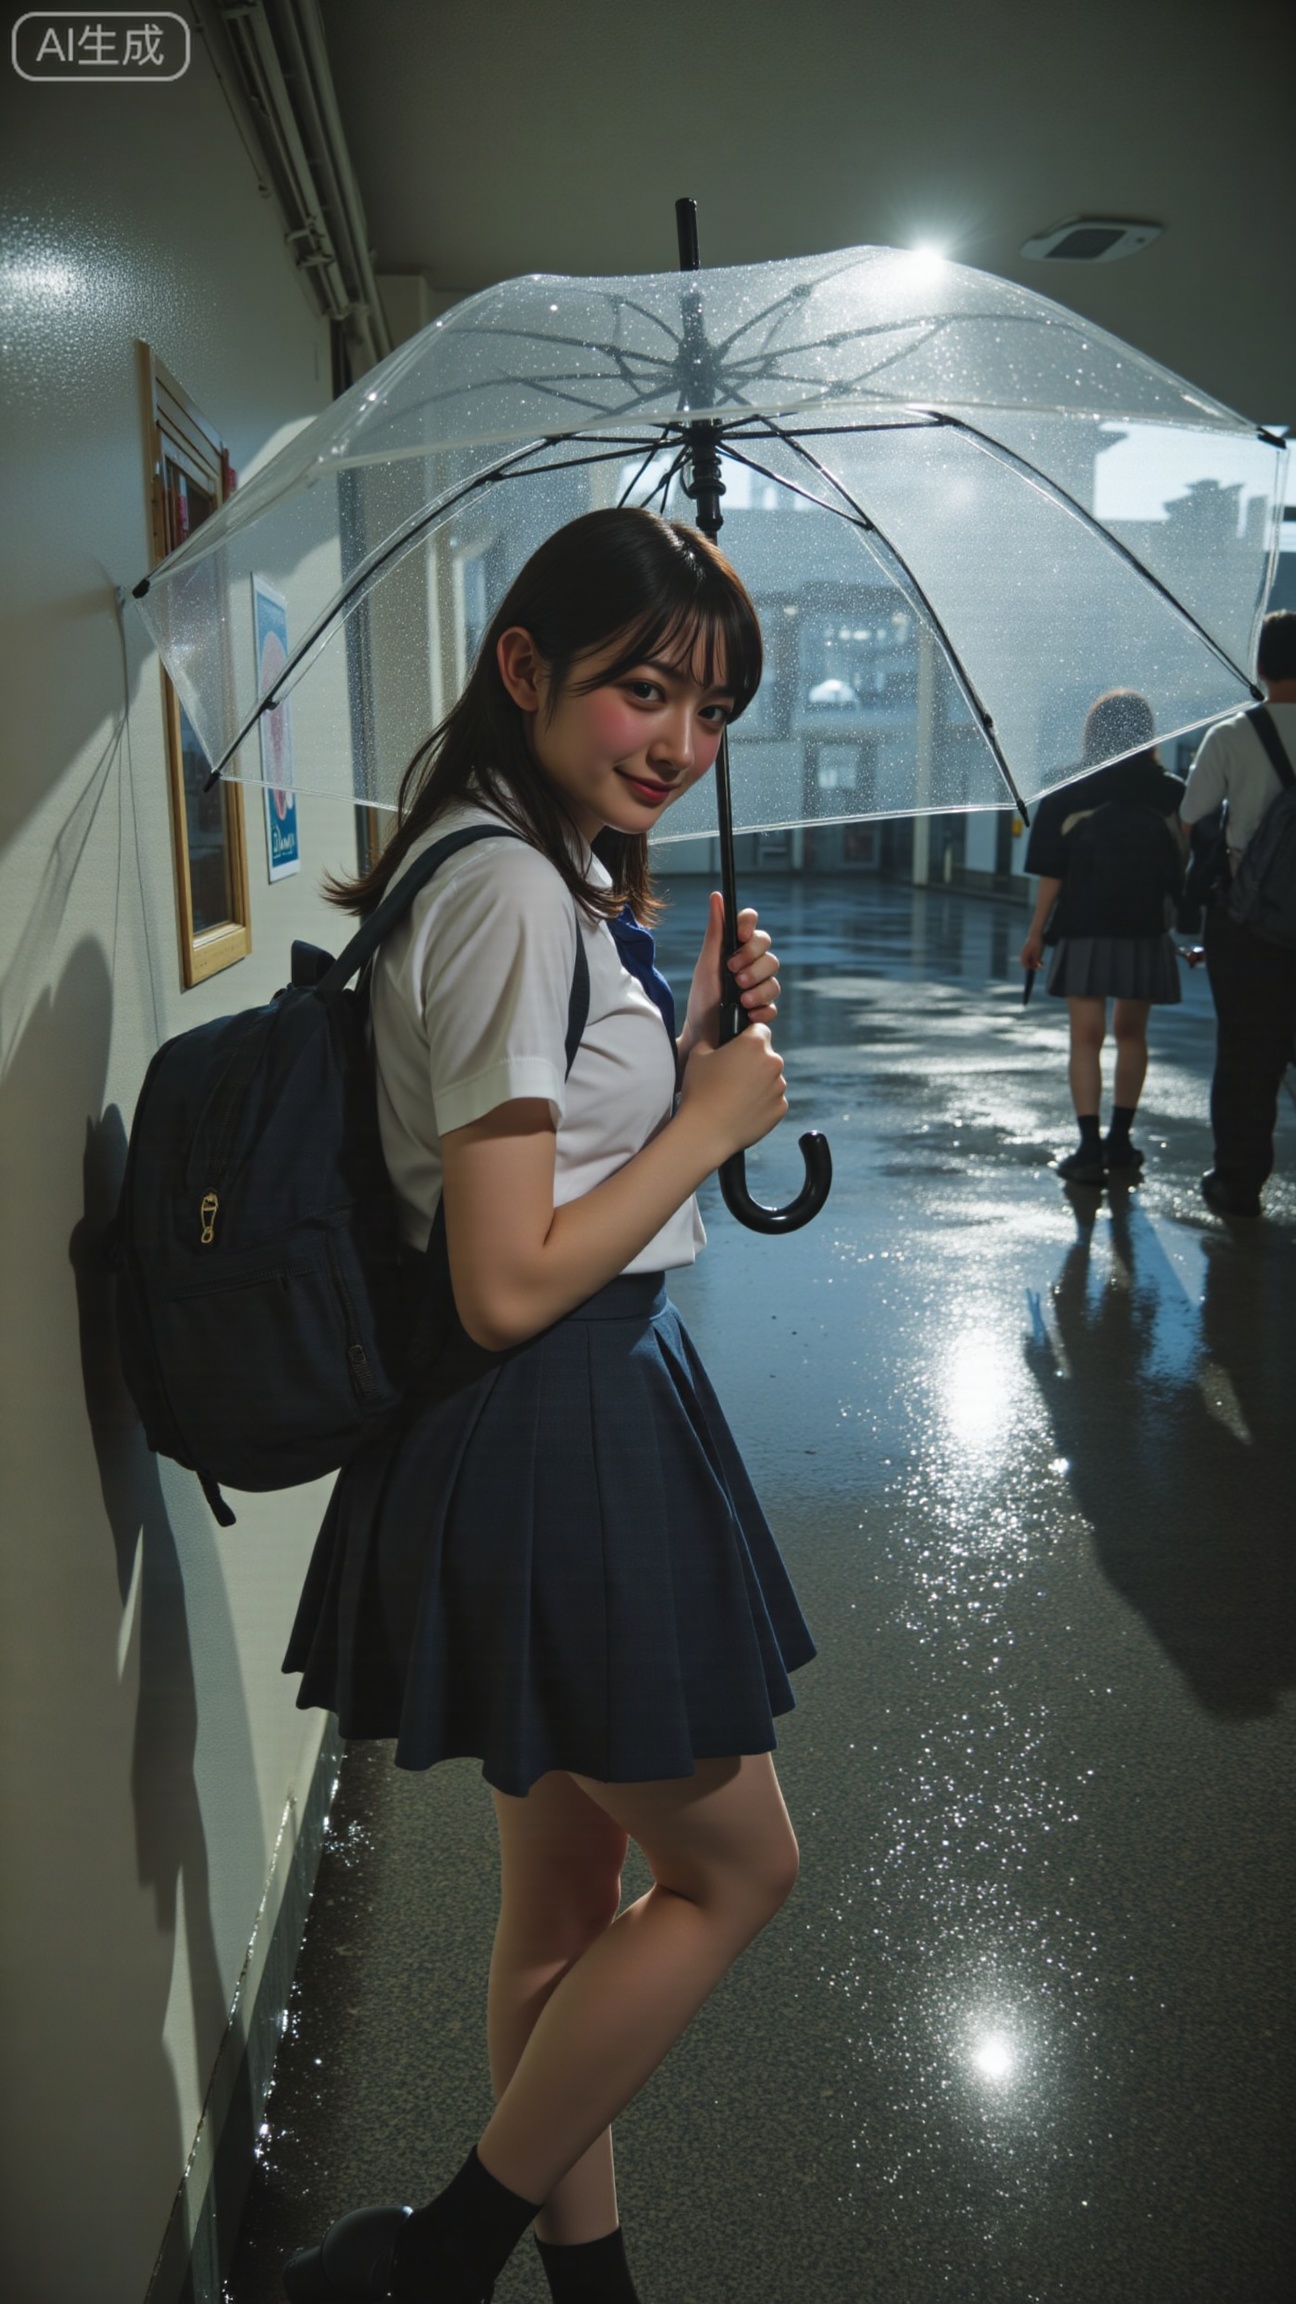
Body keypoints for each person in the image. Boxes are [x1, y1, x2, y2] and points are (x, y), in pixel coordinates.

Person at [280, 507, 815, 2304]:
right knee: (739, 1866)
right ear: (526, 669)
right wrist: (710, 1123)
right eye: (641, 687)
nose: (677, 741)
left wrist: (681, 1058)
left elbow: (552, 1166)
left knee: (567, 1891)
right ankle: (447, 2252)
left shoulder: (519, 860)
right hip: (552, 1414)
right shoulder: (513, 889)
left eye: (713, 706)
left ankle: (586, 2284)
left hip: (557, 1411)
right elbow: (504, 1271)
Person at [1020, 689, 1186, 1185]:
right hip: (1144, 929)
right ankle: (1121, 1142)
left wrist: (1035, 935)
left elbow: (1053, 874)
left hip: (1083, 927)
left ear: (1093, 733)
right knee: (1133, 1035)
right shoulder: (1171, 791)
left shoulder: (1069, 787)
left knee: (1085, 1038)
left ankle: (1088, 1148)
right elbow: (1183, 862)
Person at [1179, 609, 1296, 1218]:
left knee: (1246, 1056)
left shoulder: (1230, 735)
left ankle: (1239, 1184)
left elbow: (1192, 814)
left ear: (1259, 665)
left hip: (1247, 926)